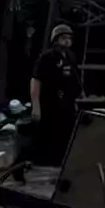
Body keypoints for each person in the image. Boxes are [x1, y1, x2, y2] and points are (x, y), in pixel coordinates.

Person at [31, 23, 83, 166]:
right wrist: (36, 106)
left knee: (66, 135)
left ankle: (60, 163)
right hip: (49, 103)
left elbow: (75, 78)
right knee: (48, 135)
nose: (67, 41)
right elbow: (36, 80)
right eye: (63, 38)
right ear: (55, 39)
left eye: (69, 38)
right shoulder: (47, 57)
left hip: (67, 103)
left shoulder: (71, 57)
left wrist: (78, 97)